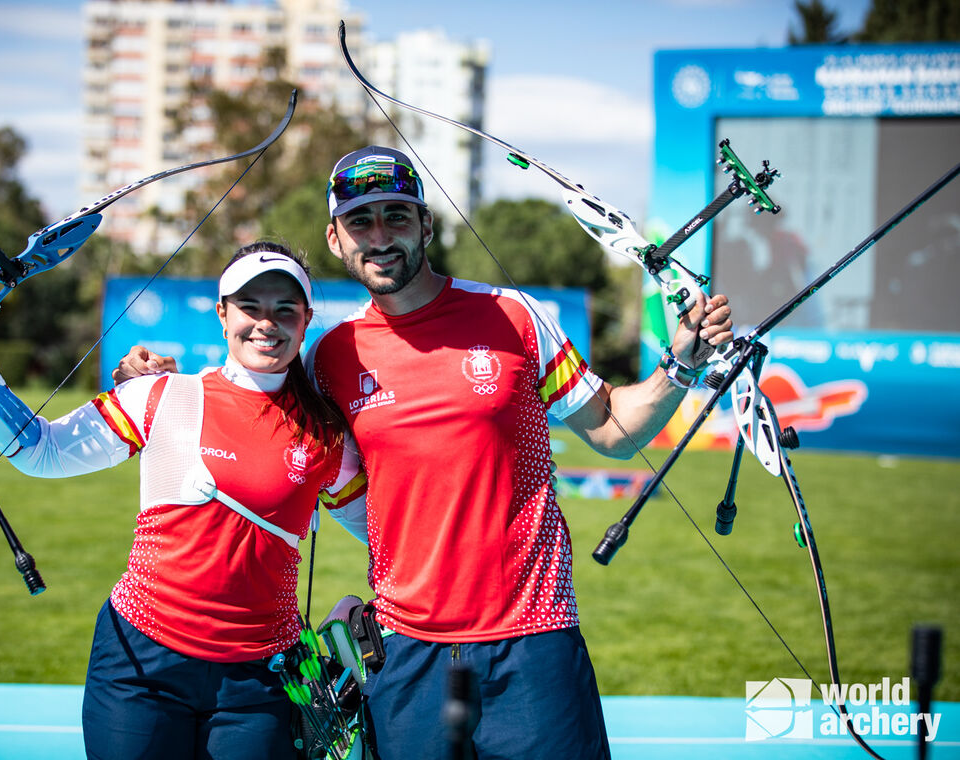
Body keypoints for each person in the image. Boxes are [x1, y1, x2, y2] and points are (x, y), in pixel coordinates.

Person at [116, 147, 735, 760]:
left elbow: (612, 431)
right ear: (336, 238)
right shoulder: (330, 355)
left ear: (426, 225)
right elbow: (253, 398)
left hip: (534, 637)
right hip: (405, 648)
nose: (379, 236)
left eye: (397, 216)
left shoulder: (514, 316)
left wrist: (680, 362)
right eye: (360, 221)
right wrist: (153, 384)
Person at [0, 242, 367, 760]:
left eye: (284, 309)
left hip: (259, 681)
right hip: (141, 665)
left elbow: (380, 530)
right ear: (223, 313)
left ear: (306, 319)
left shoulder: (327, 436)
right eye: (250, 306)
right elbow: (40, 450)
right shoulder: (161, 395)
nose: (266, 323)